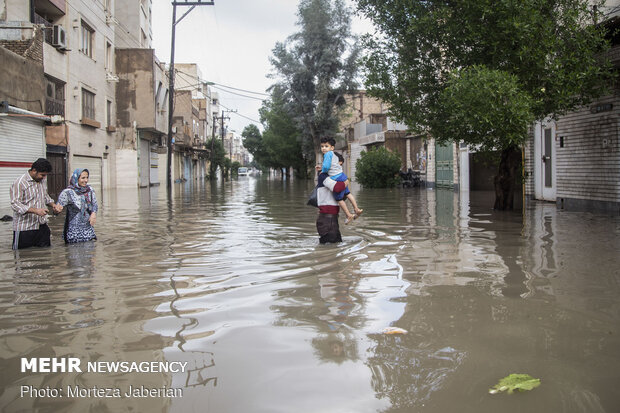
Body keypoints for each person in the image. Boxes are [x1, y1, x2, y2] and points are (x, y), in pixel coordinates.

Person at [9, 158, 62, 249]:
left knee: (45, 256)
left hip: (41, 226)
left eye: (45, 175)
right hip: (24, 228)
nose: (44, 177)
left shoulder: (41, 181)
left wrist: (54, 205)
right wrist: (35, 211)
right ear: (34, 171)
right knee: (22, 257)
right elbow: (15, 204)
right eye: (42, 175)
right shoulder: (20, 182)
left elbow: (45, 197)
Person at [315, 137, 363, 224]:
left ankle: (348, 214)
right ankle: (357, 209)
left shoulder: (327, 155)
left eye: (326, 146)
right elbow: (332, 166)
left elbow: (326, 167)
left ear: (332, 147)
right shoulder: (334, 155)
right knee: (348, 193)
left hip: (336, 178)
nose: (324, 148)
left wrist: (322, 171)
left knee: (339, 199)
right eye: (322, 146)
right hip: (342, 175)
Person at [57, 168, 98, 243]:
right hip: (73, 233)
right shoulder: (68, 192)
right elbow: (57, 209)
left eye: (87, 178)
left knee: (89, 252)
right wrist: (57, 210)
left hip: (88, 231)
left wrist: (93, 214)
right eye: (83, 178)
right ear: (76, 178)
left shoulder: (90, 190)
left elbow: (94, 205)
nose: (86, 180)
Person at [315, 171, 348, 244]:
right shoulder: (323, 176)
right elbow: (337, 188)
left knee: (334, 244)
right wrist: (346, 182)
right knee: (329, 247)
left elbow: (341, 197)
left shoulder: (334, 178)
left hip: (331, 219)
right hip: (327, 220)